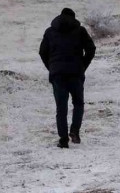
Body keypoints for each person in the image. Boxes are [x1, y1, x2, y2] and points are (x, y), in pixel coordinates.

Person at [39, 8, 96, 148]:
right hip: (75, 72)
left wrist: (52, 67)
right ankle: (75, 131)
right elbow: (91, 49)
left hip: (58, 74)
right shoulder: (80, 31)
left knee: (61, 107)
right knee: (78, 103)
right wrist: (83, 65)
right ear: (73, 17)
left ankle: (63, 139)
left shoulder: (50, 32)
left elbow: (42, 52)